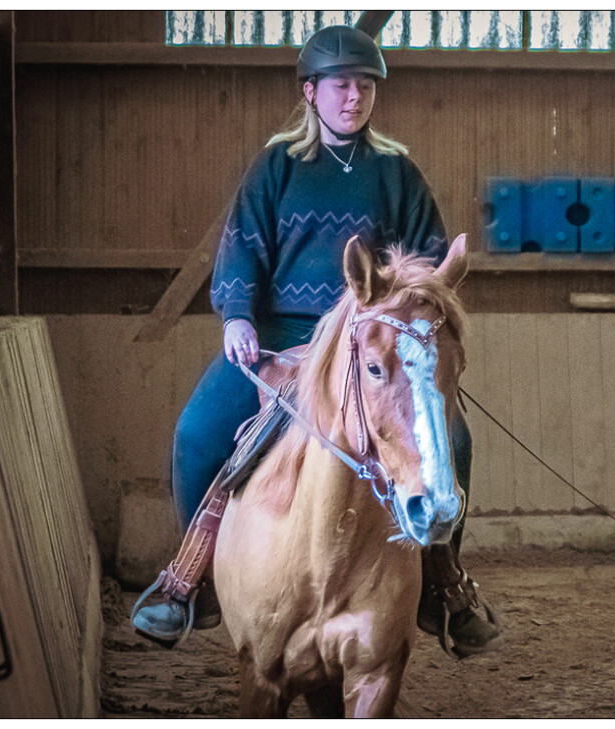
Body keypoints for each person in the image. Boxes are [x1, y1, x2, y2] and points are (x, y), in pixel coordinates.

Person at [131, 24, 501, 658]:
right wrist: (237, 317)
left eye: (365, 87)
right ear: (311, 92)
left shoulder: (397, 171)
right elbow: (242, 246)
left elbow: (428, 266)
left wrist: (413, 319)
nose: (354, 97)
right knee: (196, 433)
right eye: (341, 86)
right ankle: (192, 578)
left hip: (372, 341)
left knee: (456, 442)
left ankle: (442, 583)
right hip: (281, 336)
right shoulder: (276, 165)